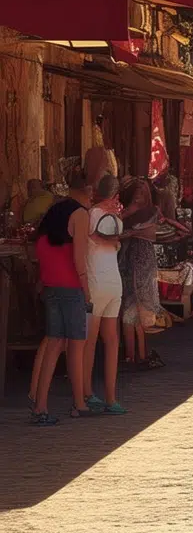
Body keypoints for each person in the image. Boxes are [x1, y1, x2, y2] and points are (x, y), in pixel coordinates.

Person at [30, 167, 94, 425]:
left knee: (54, 344)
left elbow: (39, 250)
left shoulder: (53, 212)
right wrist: (87, 290)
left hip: (51, 286)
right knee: (76, 346)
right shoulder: (80, 215)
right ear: (88, 191)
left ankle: (40, 406)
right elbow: (79, 257)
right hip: (71, 286)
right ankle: (79, 403)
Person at [81, 175, 126, 414]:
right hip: (114, 281)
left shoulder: (91, 214)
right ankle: (111, 397)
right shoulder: (114, 216)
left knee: (90, 341)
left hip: (96, 280)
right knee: (111, 340)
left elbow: (86, 241)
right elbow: (116, 241)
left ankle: (88, 392)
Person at [118, 178, 164, 369]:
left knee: (141, 304)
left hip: (142, 258)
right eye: (136, 192)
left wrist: (129, 231)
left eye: (142, 192)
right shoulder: (123, 212)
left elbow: (151, 233)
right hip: (125, 258)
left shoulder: (152, 211)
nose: (139, 195)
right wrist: (128, 214)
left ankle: (142, 353)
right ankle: (130, 354)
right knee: (128, 306)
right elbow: (117, 227)